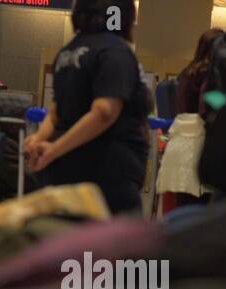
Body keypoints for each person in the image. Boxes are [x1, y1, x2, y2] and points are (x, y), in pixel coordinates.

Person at [25, 0, 151, 216]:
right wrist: (53, 150)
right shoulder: (115, 51)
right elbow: (104, 111)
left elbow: (54, 113)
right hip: (106, 177)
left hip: (61, 174)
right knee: (113, 239)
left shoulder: (66, 53)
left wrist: (39, 139)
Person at [176, 28, 223, 115]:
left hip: (181, 122)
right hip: (199, 122)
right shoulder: (209, 74)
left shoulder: (187, 72)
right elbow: (217, 105)